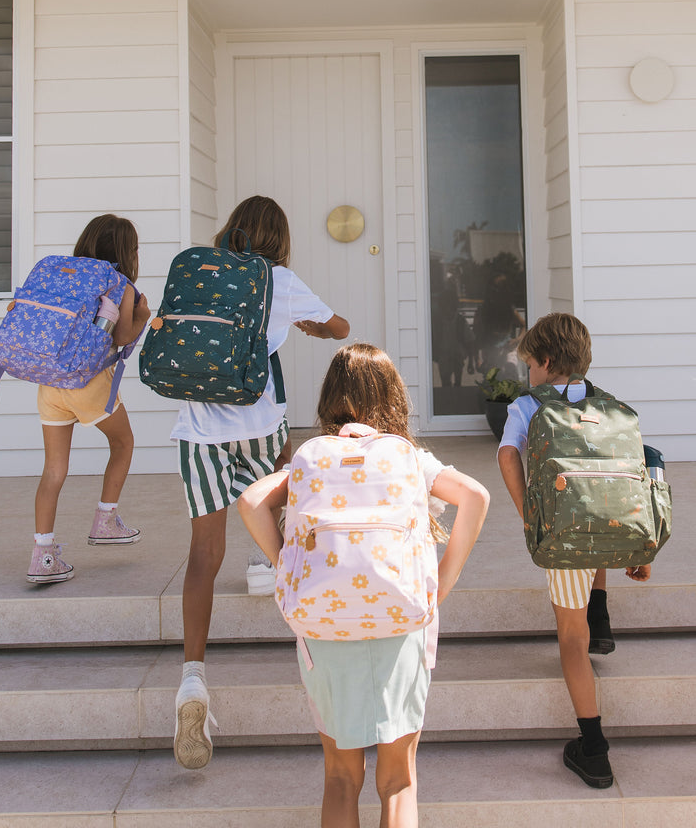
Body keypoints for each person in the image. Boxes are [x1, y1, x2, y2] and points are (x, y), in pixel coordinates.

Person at [238, 343, 490, 827]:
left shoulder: (313, 460)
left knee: (339, 776)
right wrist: (442, 581)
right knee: (398, 779)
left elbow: (251, 502)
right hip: (400, 620)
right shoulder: (409, 457)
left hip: (324, 623)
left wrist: (285, 560)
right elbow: (475, 497)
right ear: (392, 395)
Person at [171, 195, 350, 770]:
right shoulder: (277, 279)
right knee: (283, 520)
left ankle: (193, 682)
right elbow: (340, 327)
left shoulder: (200, 268)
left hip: (197, 430)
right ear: (279, 238)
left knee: (202, 554)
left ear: (230, 231)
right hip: (258, 423)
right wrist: (304, 322)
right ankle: (310, 638)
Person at [496, 312, 651, 790]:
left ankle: (594, 749)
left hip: (563, 539)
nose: (529, 375)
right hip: (611, 532)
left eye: (530, 366)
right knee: (595, 501)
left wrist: (528, 510)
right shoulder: (613, 407)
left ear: (544, 361)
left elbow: (506, 454)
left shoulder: (527, 405)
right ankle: (599, 612)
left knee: (570, 641)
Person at [27, 214, 151, 584]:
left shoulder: (62, 275)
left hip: (49, 383)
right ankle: (106, 520)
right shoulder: (119, 284)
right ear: (127, 252)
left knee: (54, 469)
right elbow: (121, 337)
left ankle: (43, 556)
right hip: (88, 383)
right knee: (123, 442)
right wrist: (142, 316)